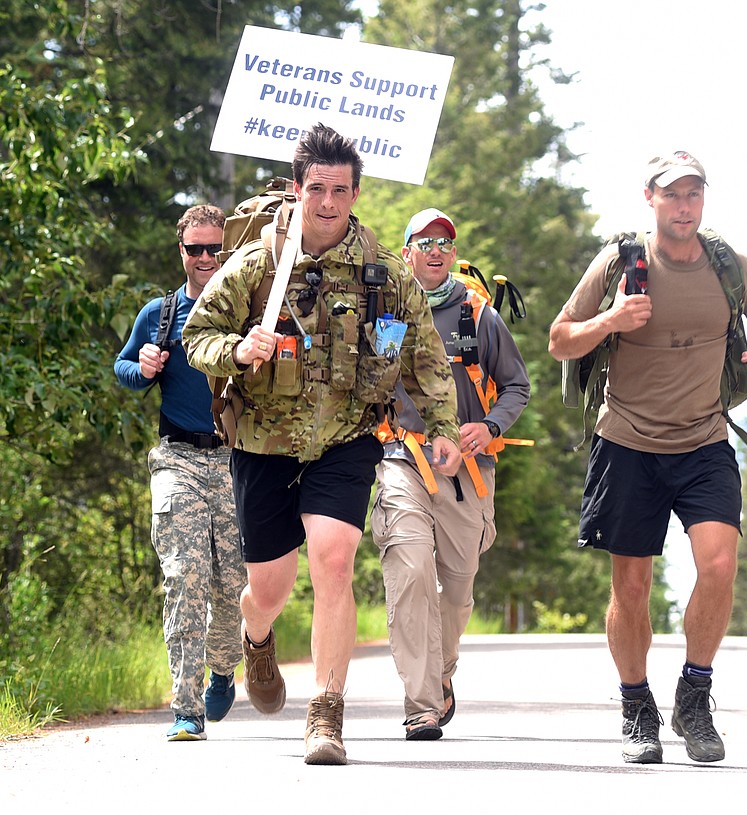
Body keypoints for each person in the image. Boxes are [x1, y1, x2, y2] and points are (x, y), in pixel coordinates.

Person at [182, 123, 462, 766]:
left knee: (335, 561)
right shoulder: (259, 264)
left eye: (340, 190)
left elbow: (426, 357)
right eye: (317, 189)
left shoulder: (386, 274)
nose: (328, 202)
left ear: (357, 192)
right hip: (264, 439)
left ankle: (326, 715)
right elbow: (198, 335)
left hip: (347, 436)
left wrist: (445, 431)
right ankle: (256, 637)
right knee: (269, 588)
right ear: (300, 189)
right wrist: (238, 348)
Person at [547, 151, 747, 764]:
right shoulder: (621, 262)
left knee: (720, 563)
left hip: (705, 440)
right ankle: (636, 708)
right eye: (672, 194)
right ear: (649, 198)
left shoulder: (727, 263)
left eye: (694, 194)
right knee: (631, 585)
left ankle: (694, 696)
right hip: (627, 442)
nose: (684, 206)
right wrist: (611, 319)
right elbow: (559, 339)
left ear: (703, 200)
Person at [371, 209, 531, 740]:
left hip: (467, 472)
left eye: (445, 242)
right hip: (402, 459)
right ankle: (420, 703)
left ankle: (440, 677)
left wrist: (488, 428)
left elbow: (516, 387)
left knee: (457, 591)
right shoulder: (387, 312)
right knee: (410, 570)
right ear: (407, 250)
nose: (436, 249)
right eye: (425, 241)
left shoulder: (478, 316)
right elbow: (372, 385)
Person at [113, 204, 248, 742]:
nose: (206, 258)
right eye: (196, 249)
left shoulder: (247, 311)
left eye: (216, 248)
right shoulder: (160, 313)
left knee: (233, 584)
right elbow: (123, 369)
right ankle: (185, 707)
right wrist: (141, 365)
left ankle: (222, 666)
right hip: (178, 459)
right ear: (182, 252)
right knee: (184, 574)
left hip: (238, 460)